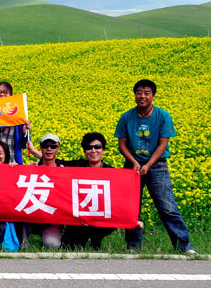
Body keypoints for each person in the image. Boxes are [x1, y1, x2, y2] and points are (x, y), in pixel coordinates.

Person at [115, 79, 195, 253]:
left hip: (157, 166)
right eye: (139, 92)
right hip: (132, 166)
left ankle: (184, 246)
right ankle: (133, 246)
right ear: (134, 94)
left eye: (146, 93)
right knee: (132, 208)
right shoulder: (126, 117)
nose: (142, 96)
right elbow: (122, 144)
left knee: (167, 207)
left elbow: (162, 144)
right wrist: (135, 163)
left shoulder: (163, 116)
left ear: (153, 96)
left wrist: (148, 164)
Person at [63, 132, 117, 250]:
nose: (93, 151)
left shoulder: (112, 172)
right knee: (67, 246)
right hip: (78, 218)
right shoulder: (77, 165)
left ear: (103, 150)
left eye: (97, 147)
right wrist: (33, 150)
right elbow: (54, 163)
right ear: (84, 151)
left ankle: (96, 238)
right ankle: (85, 237)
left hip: (100, 217)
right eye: (89, 148)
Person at [27, 133, 66, 248]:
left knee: (52, 245)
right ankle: (23, 242)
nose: (49, 149)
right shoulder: (30, 168)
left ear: (58, 148)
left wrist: (33, 151)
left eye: (53, 146)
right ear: (41, 147)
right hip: (31, 217)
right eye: (45, 145)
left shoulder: (64, 170)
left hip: (52, 220)